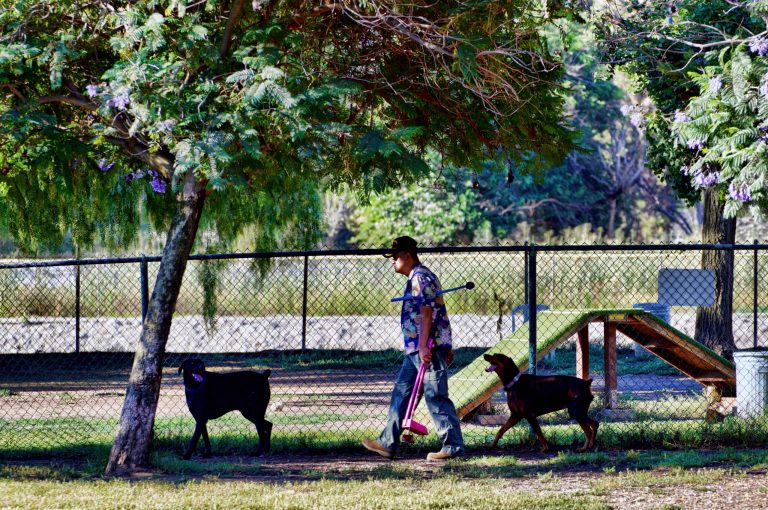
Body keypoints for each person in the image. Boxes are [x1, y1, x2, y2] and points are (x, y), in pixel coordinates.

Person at [362, 235, 465, 461]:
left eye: (395, 257)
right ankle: (387, 443)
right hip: (416, 350)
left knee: (435, 395)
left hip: (427, 348)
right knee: (401, 393)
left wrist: (423, 346)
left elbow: (427, 312)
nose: (392, 261)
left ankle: (453, 447)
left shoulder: (421, 278)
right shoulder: (417, 277)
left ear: (407, 255)